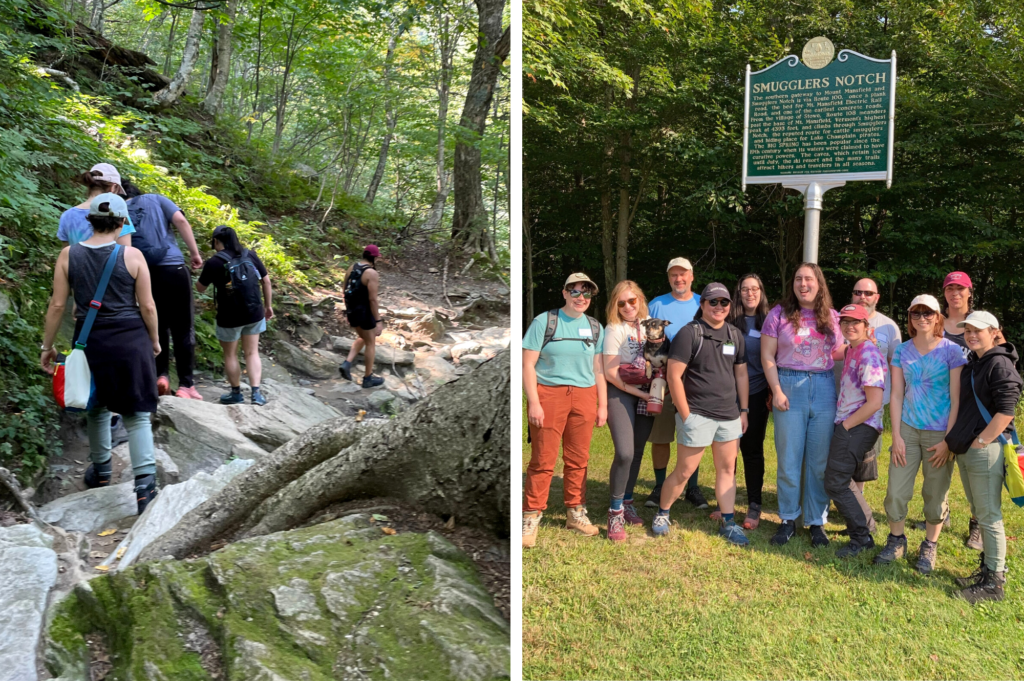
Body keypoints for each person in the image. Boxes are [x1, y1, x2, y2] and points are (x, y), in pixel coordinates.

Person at [40, 193, 160, 514]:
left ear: (89, 220)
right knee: (136, 414)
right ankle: (145, 487)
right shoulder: (133, 256)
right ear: (122, 223)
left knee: (97, 407)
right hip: (130, 339)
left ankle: (101, 470)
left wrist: (47, 347)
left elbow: (57, 305)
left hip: (89, 339)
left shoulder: (68, 255)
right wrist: (155, 340)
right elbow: (147, 306)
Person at [652, 283, 750, 545]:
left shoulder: (735, 334)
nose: (719, 307)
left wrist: (743, 410)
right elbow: (674, 376)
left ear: (730, 306)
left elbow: (740, 373)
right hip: (697, 414)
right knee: (685, 471)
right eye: (713, 302)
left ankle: (729, 522)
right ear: (703, 305)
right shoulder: (689, 333)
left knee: (727, 469)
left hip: (729, 415)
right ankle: (663, 513)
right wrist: (686, 414)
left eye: (724, 302)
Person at [876, 295, 965, 573]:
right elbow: (897, 394)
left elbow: (956, 398)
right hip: (908, 431)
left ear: (939, 317)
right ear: (910, 318)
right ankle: (896, 540)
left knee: (935, 494)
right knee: (895, 491)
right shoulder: (902, 351)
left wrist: (948, 441)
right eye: (916, 313)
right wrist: (898, 437)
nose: (922, 317)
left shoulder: (953, 351)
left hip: (939, 434)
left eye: (928, 313)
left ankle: (929, 546)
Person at [522, 273, 608, 549]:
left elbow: (598, 369)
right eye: (575, 292)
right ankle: (531, 515)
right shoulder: (545, 322)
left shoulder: (595, 327)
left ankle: (575, 512)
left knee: (578, 459)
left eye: (586, 293)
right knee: (543, 460)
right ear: (564, 293)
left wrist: (602, 404)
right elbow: (527, 365)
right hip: (549, 395)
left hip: (584, 396)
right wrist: (534, 402)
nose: (581, 298)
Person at [761, 262, 842, 547]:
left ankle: (816, 521)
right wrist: (777, 390)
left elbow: (839, 351)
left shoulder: (832, 316)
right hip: (789, 385)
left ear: (819, 284)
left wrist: (864, 342)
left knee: (819, 462)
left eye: (809, 279)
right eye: (798, 279)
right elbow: (768, 356)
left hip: (823, 387)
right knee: (789, 459)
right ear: (792, 284)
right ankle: (787, 518)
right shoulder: (777, 315)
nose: (803, 284)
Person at [944, 311, 1022, 603]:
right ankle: (987, 569)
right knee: (980, 510)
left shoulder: (999, 364)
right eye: (968, 331)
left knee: (989, 516)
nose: (972, 335)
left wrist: (981, 441)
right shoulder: (977, 363)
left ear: (994, 332)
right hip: (969, 449)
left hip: (984, 451)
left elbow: (1006, 410)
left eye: (978, 330)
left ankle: (995, 583)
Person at [121, 179, 204, 400]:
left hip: (143, 273)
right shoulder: (156, 199)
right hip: (173, 268)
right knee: (183, 327)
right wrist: (195, 254)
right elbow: (181, 221)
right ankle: (186, 385)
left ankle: (162, 376)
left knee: (156, 325)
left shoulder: (118, 210)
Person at [645, 257, 706, 510]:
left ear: (692, 276)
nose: (678, 279)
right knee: (660, 436)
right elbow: (643, 339)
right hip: (663, 382)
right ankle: (660, 485)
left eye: (683, 274)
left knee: (693, 434)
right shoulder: (657, 305)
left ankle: (692, 488)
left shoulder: (704, 303)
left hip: (696, 382)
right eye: (674, 275)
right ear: (668, 277)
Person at [826, 304, 886, 558]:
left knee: (836, 482)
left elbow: (874, 402)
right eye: (845, 322)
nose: (850, 326)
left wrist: (846, 426)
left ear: (866, 326)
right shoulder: (853, 348)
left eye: (856, 322)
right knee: (843, 479)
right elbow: (831, 352)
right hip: (851, 424)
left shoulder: (868, 354)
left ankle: (861, 539)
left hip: (858, 426)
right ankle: (866, 524)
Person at [196, 226, 274, 406]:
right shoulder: (249, 254)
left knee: (230, 354)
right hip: (254, 312)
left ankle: (236, 393)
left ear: (216, 241)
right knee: (252, 352)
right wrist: (268, 306)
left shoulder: (214, 262)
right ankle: (256, 394)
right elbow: (266, 281)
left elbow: (200, 288)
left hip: (229, 316)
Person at [602, 280, 655, 541]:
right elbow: (611, 373)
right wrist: (641, 393)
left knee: (637, 451)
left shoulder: (652, 325)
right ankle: (614, 512)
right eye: (621, 302)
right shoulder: (614, 329)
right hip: (621, 392)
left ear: (640, 300)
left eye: (632, 301)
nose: (627, 307)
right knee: (624, 452)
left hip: (647, 393)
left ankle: (628, 500)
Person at [941, 270, 982, 549]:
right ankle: (940, 514)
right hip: (938, 405)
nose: (955, 293)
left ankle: (977, 523)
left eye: (960, 288)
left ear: (969, 292)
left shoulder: (979, 323)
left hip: (972, 407)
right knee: (939, 465)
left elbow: (1001, 352)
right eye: (950, 288)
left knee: (973, 472)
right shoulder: (935, 321)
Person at [728, 274, 770, 529]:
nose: (750, 293)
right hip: (727, 396)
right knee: (727, 452)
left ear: (761, 292)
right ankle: (727, 503)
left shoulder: (770, 321)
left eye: (755, 288)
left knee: (752, 451)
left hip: (756, 394)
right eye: (745, 289)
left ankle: (754, 505)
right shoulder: (730, 320)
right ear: (739, 292)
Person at [338, 245, 385, 389]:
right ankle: (368, 378)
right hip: (365, 312)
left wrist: (348, 311)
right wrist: (378, 321)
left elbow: (344, 291)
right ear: (375, 258)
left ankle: (347, 363)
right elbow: (372, 299)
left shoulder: (352, 267)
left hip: (353, 311)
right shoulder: (371, 273)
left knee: (364, 337)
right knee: (371, 343)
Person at [57, 163, 135, 247]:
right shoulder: (118, 213)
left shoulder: (67, 215)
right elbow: (125, 251)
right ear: (113, 187)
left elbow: (66, 253)